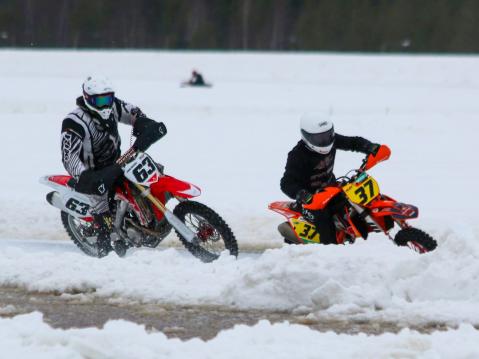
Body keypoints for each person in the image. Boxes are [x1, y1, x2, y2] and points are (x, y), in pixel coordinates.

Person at [61, 75, 167, 257]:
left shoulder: (114, 106)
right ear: (88, 98)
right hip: (93, 172)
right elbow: (68, 156)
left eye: (108, 98)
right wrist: (87, 177)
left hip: (117, 162)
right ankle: (105, 255)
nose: (105, 105)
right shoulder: (74, 121)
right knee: (102, 214)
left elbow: (134, 113)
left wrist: (146, 125)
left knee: (154, 174)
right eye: (100, 100)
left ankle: (150, 220)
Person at [280, 113, 380, 245]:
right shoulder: (297, 155)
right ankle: (330, 251)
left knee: (356, 202)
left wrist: (369, 147)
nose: (324, 141)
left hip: (331, 189)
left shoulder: (331, 140)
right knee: (324, 219)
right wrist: (302, 194)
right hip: (311, 201)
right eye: (319, 138)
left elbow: (353, 142)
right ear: (306, 136)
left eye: (327, 135)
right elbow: (286, 183)